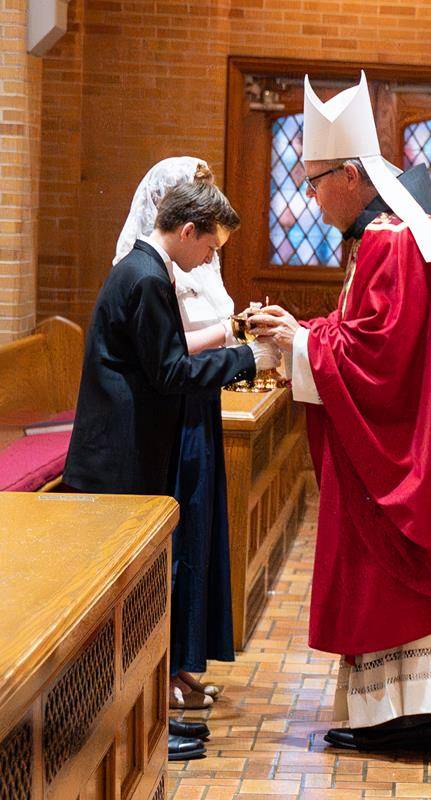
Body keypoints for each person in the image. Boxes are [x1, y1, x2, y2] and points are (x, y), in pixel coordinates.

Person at [250, 71, 431, 751]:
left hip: (411, 447)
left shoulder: (390, 243)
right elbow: (377, 336)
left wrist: (304, 343)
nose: (309, 197)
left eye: (313, 182)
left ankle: (403, 713)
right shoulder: (420, 233)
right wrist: (308, 333)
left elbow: (377, 363)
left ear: (350, 175)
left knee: (399, 560)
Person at [64, 178, 280, 759]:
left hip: (127, 452)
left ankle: (146, 696)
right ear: (187, 232)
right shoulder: (146, 278)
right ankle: (127, 707)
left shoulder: (146, 271)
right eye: (210, 247)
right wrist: (246, 359)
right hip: (117, 462)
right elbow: (170, 373)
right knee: (123, 588)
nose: (210, 259)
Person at [113, 156, 251, 713]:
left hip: (198, 404)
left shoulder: (186, 262)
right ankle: (163, 667)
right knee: (177, 544)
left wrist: (232, 337)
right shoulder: (145, 271)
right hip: (172, 412)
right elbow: (167, 359)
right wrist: (237, 345)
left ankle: (183, 663)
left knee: (198, 538)